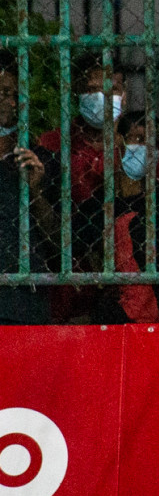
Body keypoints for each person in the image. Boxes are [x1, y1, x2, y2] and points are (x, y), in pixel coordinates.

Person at [92, 110, 159, 323]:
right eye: (138, 139)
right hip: (117, 319)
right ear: (119, 141)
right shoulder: (102, 202)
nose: (145, 149)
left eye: (152, 143)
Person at [39, 57, 159, 203]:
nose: (102, 97)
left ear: (124, 96)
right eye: (93, 89)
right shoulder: (52, 142)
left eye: (112, 90)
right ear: (78, 92)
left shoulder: (145, 143)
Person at [0, 53, 57, 324]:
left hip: (22, 300)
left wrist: (36, 191)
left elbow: (58, 238)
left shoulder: (39, 158)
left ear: (17, 101)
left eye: (7, 92)